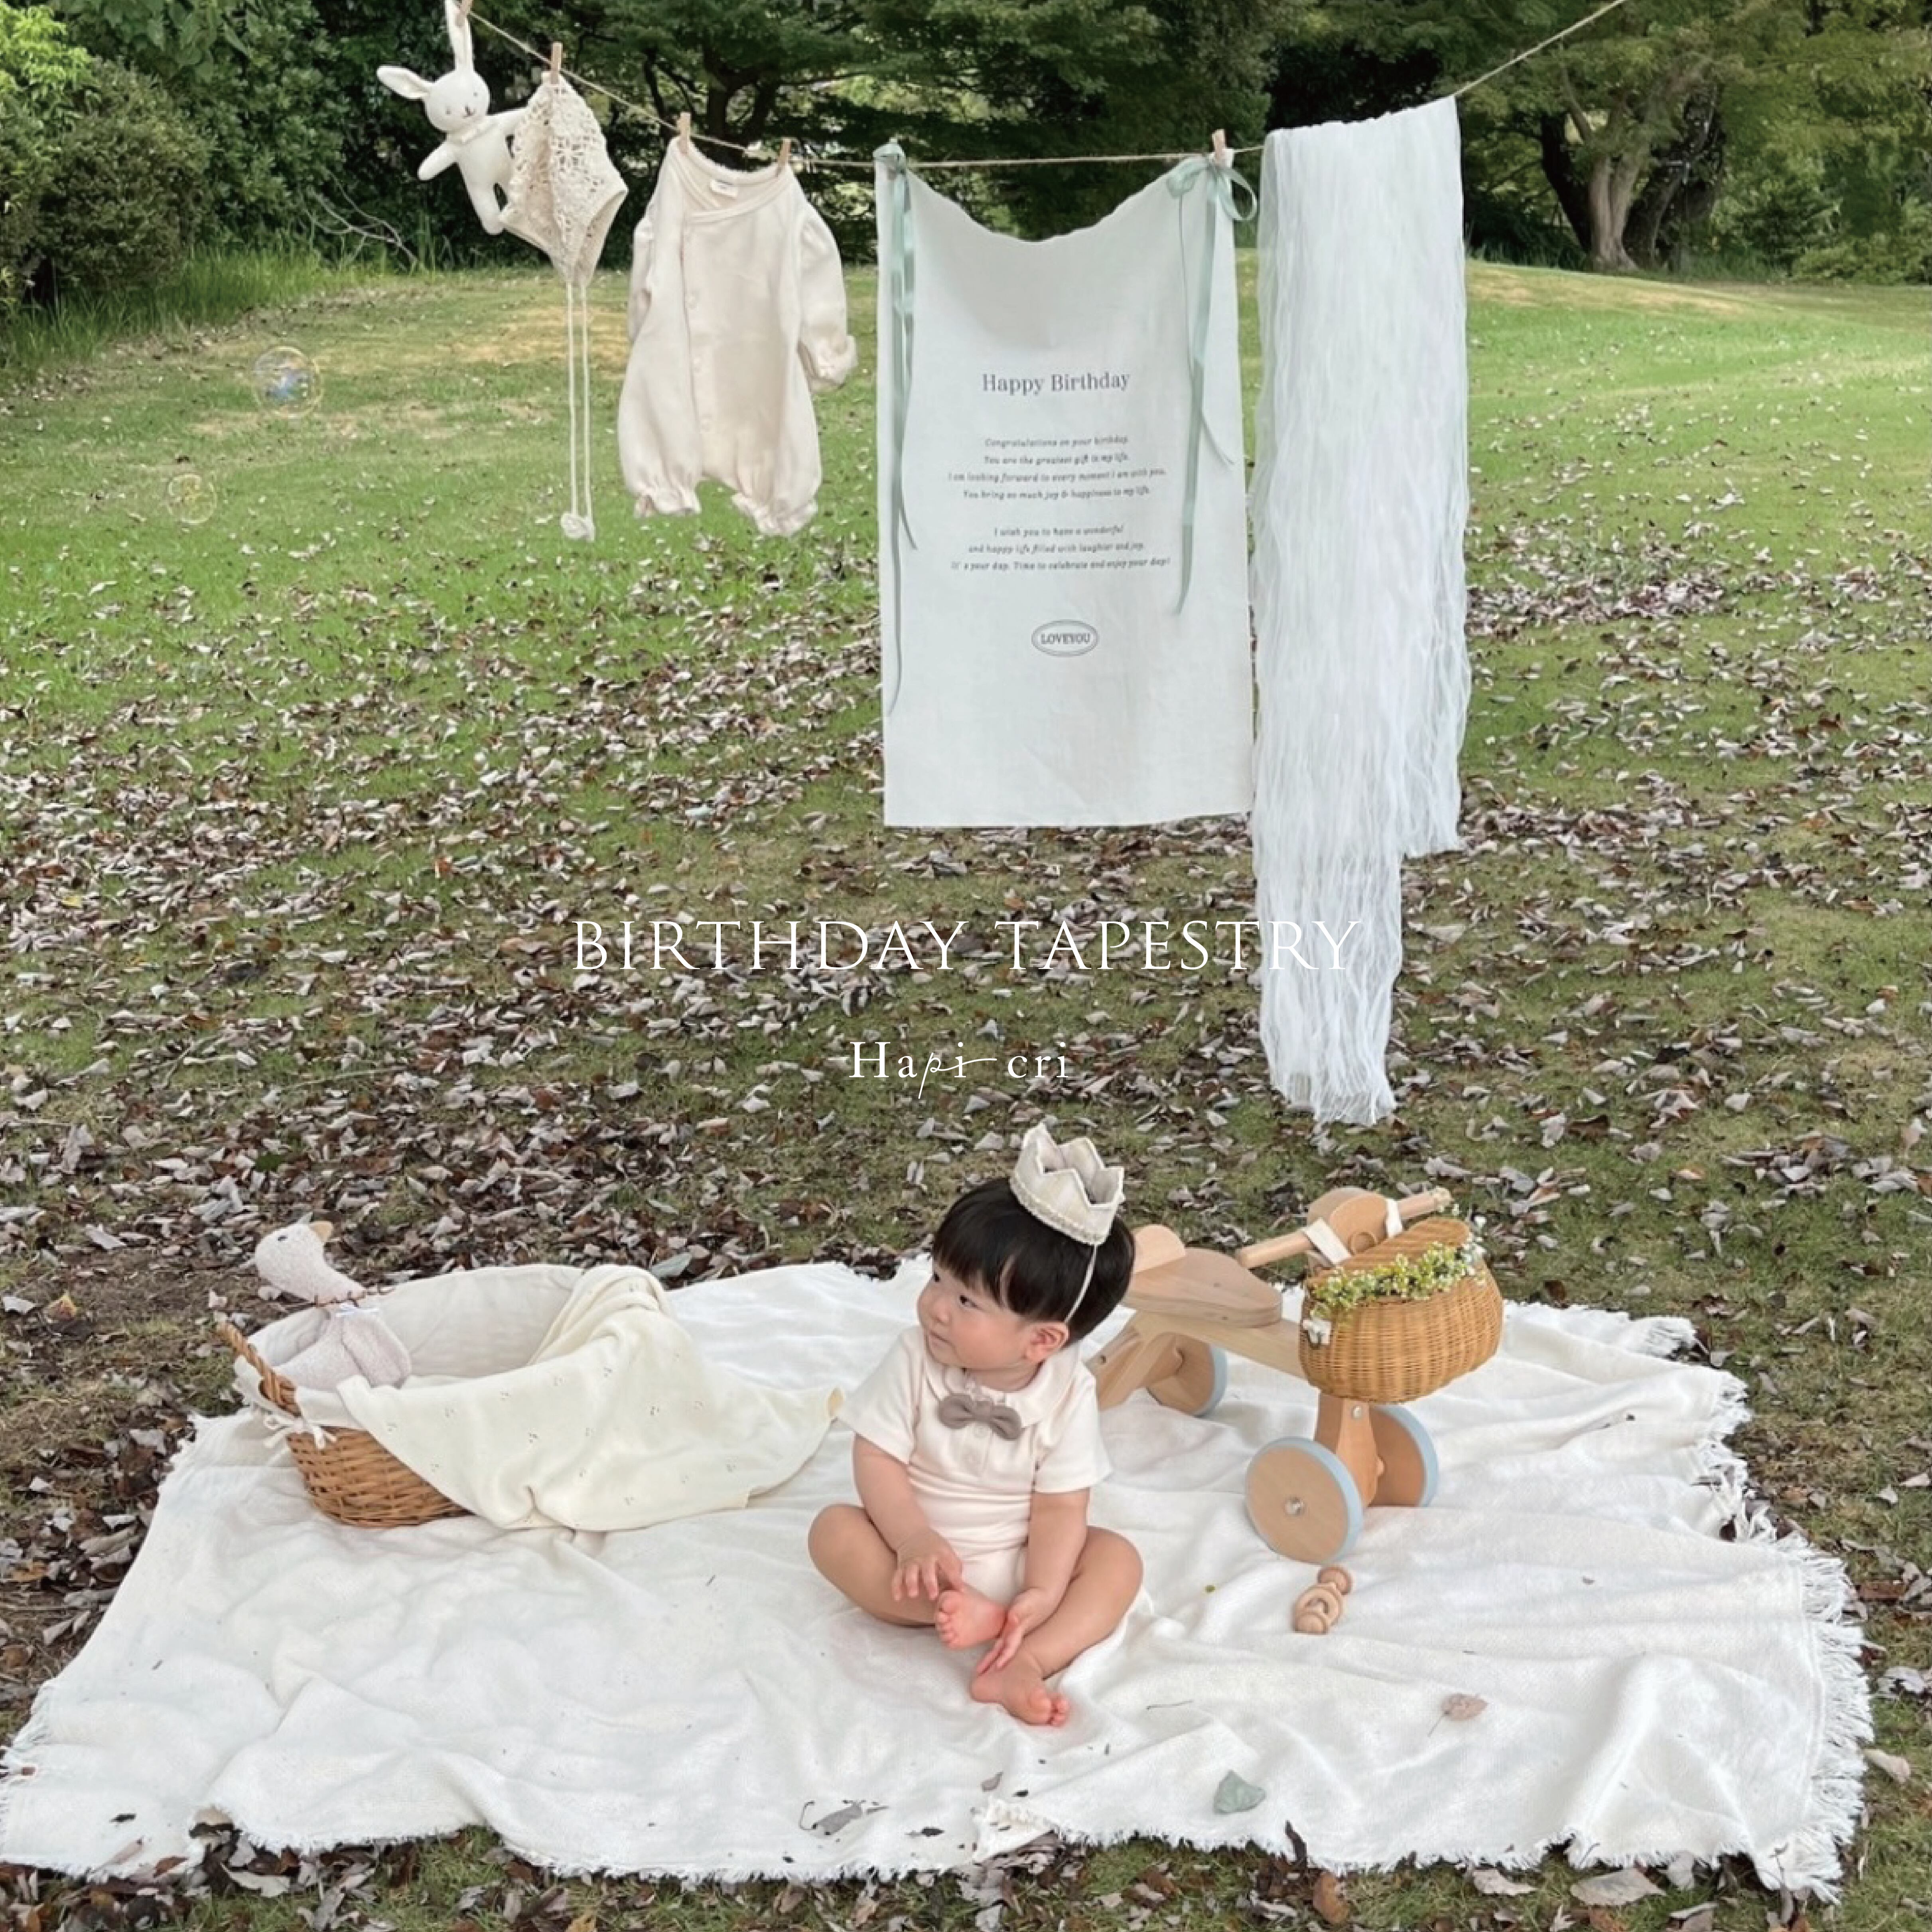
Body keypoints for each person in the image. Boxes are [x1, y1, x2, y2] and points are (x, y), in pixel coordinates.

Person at [809, 1124, 1143, 1726]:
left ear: (1042, 1341)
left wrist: (1042, 1590)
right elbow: (877, 1456)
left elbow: (1061, 1508)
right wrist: (912, 1539)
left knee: (1117, 1561)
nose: (937, 1307)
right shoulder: (914, 1357)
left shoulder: (1070, 1394)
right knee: (832, 1532)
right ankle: (954, 1610)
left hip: (1018, 1556)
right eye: (938, 1278)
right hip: (913, 1561)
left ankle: (1025, 1654)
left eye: (966, 1302)